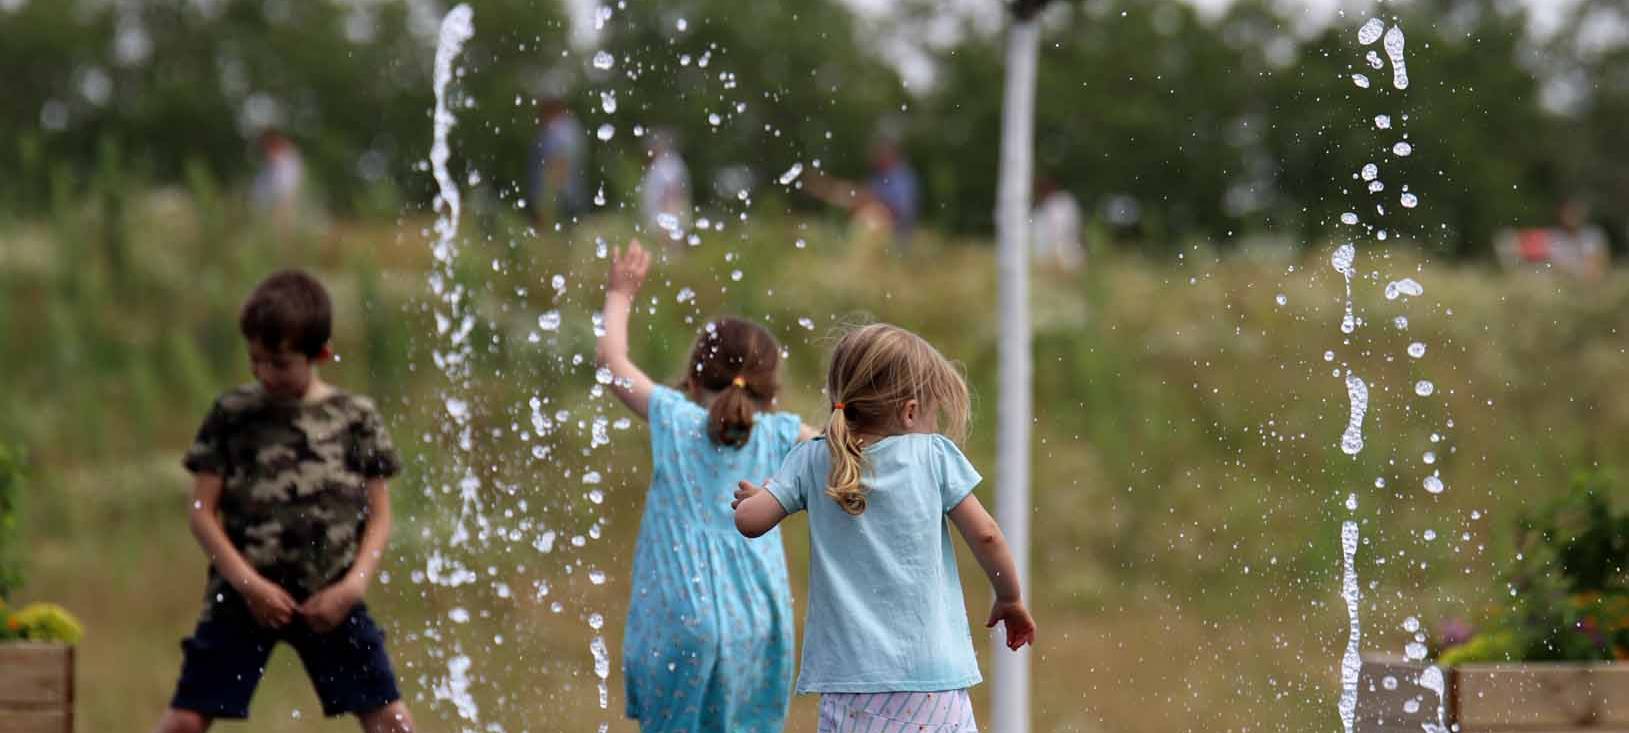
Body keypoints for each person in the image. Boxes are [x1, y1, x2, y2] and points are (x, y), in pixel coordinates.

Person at [733, 323, 1037, 733]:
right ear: (910, 412)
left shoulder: (811, 459)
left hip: (848, 684)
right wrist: (1010, 597)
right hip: (929, 682)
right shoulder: (933, 456)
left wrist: (763, 494)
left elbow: (750, 523)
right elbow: (986, 535)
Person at [151, 271, 414, 733]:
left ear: (320, 355)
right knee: (186, 721)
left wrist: (351, 589)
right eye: (255, 360)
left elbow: (380, 515)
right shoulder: (232, 415)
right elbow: (201, 514)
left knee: (391, 720)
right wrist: (250, 586)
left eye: (278, 363)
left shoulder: (355, 419)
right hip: (242, 597)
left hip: (331, 593)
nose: (263, 373)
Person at [596, 240, 816, 732]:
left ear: (693, 382)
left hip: (680, 619)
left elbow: (610, 362)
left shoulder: (674, 420)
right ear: (771, 394)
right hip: (757, 622)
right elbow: (847, 451)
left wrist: (620, 293)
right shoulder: (783, 435)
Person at [526, 97, 587, 229]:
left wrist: (547, 203)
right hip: (569, 197)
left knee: (554, 242)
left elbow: (559, 165)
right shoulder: (572, 128)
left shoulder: (558, 131)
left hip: (558, 201)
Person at [640, 127, 692, 241]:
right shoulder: (662, 163)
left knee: (670, 252)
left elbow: (672, 192)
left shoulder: (667, 164)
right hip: (662, 217)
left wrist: (667, 221)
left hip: (666, 217)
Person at [1032, 177, 1085, 272]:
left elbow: (1071, 228)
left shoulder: (1064, 202)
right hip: (1046, 257)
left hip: (1065, 252)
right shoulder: (1038, 212)